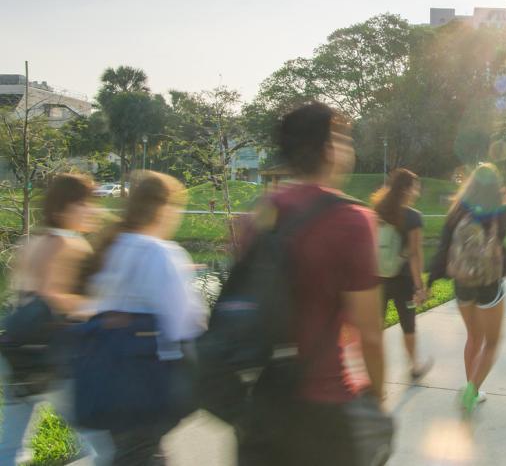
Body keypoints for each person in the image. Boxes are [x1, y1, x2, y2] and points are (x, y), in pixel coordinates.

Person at [238, 103, 387, 464]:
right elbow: (368, 332)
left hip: (262, 405)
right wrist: (377, 400)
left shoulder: (259, 214)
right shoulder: (350, 220)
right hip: (325, 407)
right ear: (329, 149)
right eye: (343, 138)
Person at [87, 171, 208, 464]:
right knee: (143, 454)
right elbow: (184, 322)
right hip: (147, 382)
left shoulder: (114, 245)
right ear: (163, 208)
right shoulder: (160, 252)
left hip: (108, 375)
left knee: (132, 453)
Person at [1, 174, 112, 465]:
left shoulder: (32, 241)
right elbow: (52, 296)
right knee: (104, 445)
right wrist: (101, 306)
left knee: (11, 445)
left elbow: (22, 296)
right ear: (65, 208)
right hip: (56, 359)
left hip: (18, 352)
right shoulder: (68, 243)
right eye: (86, 204)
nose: (93, 210)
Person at [429, 163, 506, 415]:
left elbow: (443, 247)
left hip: (462, 282)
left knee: (473, 336)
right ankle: (471, 390)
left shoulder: (458, 209)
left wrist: (429, 281)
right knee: (492, 343)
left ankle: (472, 387)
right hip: (488, 283)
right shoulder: (499, 209)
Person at [371, 168, 433, 381]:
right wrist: (419, 287)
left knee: (376, 326)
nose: (417, 191)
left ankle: (374, 375)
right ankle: (414, 366)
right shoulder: (413, 217)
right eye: (415, 187)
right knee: (408, 324)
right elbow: (415, 254)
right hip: (403, 281)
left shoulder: (377, 210)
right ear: (407, 188)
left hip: (377, 278)